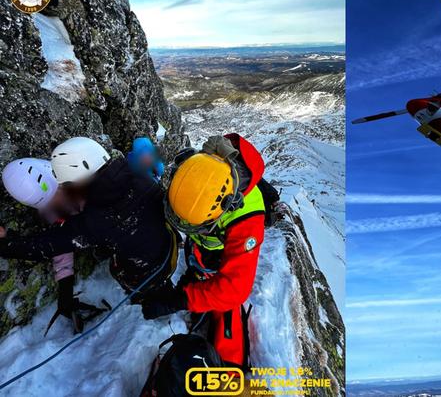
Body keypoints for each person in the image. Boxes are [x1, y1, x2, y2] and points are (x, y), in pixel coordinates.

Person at [141, 134, 268, 370]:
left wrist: (180, 300)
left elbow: (234, 290)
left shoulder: (247, 221)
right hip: (205, 251)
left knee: (225, 304)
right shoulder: (200, 170)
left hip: (221, 255)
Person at [0, 137, 178, 302]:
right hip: (171, 247)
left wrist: (6, 243)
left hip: (144, 276)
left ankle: (148, 298)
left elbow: (47, 245)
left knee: (126, 273)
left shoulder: (97, 221)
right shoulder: (138, 173)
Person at [0, 157, 105, 334]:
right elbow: (60, 243)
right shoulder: (54, 210)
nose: (54, 206)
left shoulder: (93, 187)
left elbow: (63, 239)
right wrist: (65, 293)